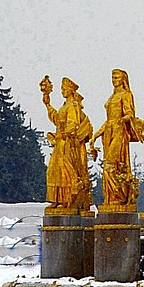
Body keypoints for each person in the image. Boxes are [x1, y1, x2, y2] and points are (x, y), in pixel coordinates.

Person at [40, 76, 94, 213]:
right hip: (60, 143)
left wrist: (67, 132)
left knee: (66, 172)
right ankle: (57, 199)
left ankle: (66, 200)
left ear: (71, 90)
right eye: (61, 89)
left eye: (64, 89)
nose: (62, 91)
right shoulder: (65, 106)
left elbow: (73, 124)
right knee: (53, 171)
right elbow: (58, 119)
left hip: (67, 144)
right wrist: (47, 104)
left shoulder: (73, 105)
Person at [91, 69, 139, 206]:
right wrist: (96, 135)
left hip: (119, 131)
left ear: (123, 79)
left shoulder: (126, 94)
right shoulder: (112, 96)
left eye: (117, 77)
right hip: (108, 131)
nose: (114, 80)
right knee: (108, 163)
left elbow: (130, 114)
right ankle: (111, 198)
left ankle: (119, 196)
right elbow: (108, 120)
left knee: (112, 164)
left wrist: (122, 120)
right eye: (112, 77)